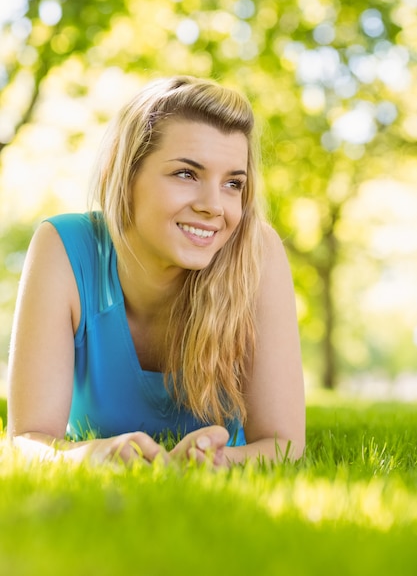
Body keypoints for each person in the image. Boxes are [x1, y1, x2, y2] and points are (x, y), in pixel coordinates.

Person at [7, 75, 305, 467]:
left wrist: (217, 463)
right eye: (186, 174)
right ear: (123, 171)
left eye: (233, 183)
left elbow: (283, 444)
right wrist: (92, 456)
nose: (214, 206)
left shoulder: (256, 253)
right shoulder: (65, 248)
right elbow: (28, 440)